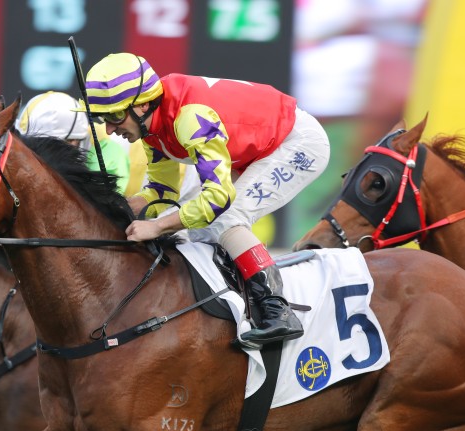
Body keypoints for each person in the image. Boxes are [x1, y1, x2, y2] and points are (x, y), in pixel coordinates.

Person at [78, 52, 331, 348]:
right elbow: (162, 191)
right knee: (198, 230)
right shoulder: (151, 128)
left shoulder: (190, 118)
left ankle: (278, 310)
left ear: (142, 105)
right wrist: (123, 207)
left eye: (114, 117)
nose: (109, 129)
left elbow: (217, 198)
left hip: (298, 143)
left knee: (224, 217)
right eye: (103, 119)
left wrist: (157, 226)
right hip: (258, 148)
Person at [15, 91, 131, 194]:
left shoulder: (108, 152)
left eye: (43, 146)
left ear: (71, 141)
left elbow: (96, 203)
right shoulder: (77, 137)